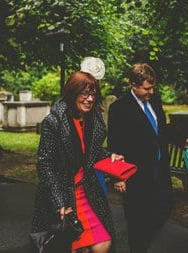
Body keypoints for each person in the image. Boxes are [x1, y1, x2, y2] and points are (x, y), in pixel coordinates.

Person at [31, 70, 122, 252]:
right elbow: (45, 164)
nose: (90, 99)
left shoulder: (91, 119)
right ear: (72, 93)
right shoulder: (54, 122)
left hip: (86, 190)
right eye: (84, 94)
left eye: (93, 94)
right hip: (62, 192)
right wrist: (58, 201)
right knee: (69, 245)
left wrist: (109, 156)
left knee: (103, 242)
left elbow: (89, 152)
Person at [107, 63, 188, 252]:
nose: (151, 92)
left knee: (165, 207)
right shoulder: (119, 108)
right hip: (136, 175)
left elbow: (162, 129)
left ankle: (143, 241)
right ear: (134, 85)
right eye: (147, 88)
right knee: (137, 221)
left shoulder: (154, 101)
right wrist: (118, 177)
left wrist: (183, 139)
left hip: (160, 171)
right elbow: (115, 143)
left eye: (152, 87)